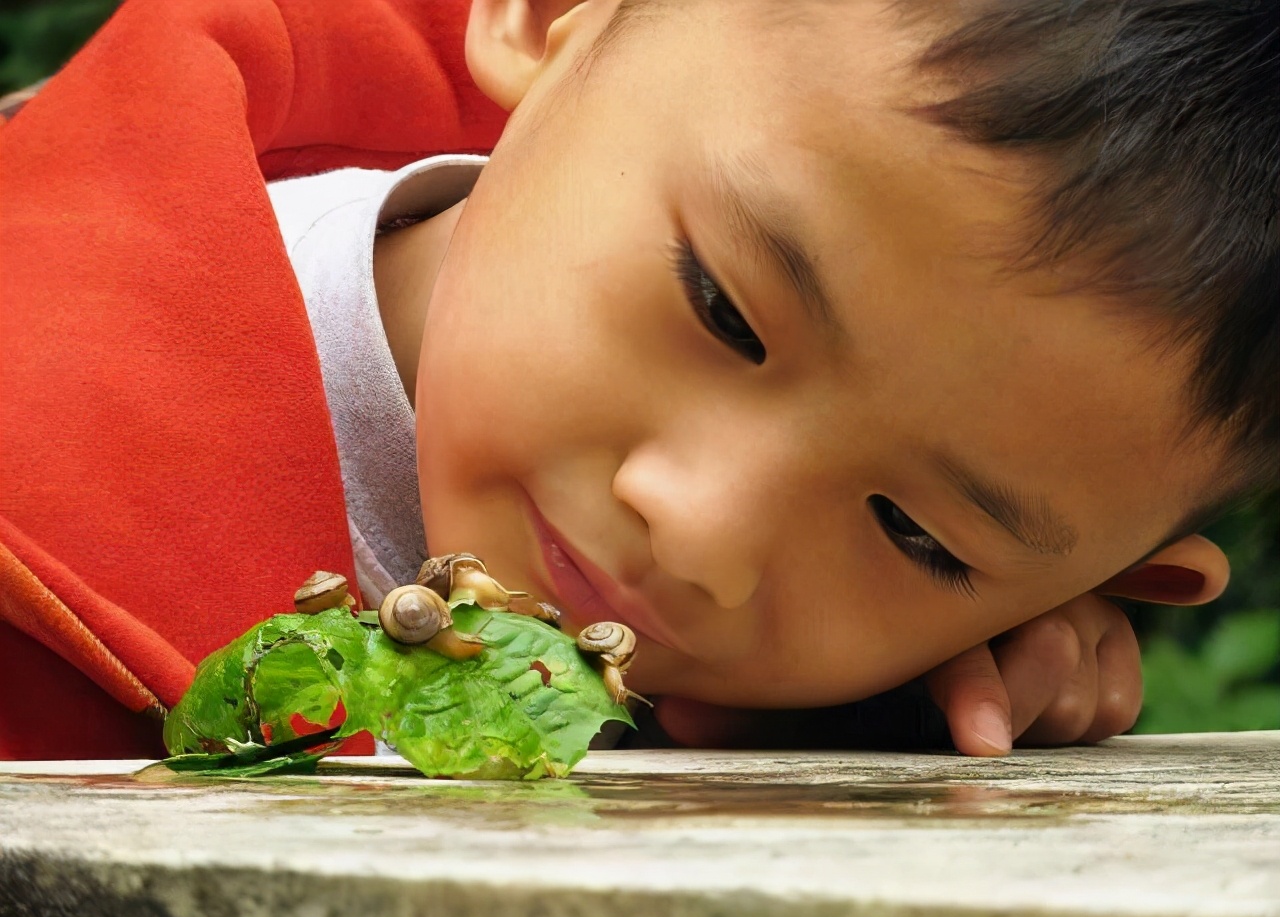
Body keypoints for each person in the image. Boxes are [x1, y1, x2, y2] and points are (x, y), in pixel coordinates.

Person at [0, 0, 1272, 761]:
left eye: (917, 536)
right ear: (548, 17)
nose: (704, 537)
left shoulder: (856, 701)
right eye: (722, 310)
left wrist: (889, 733)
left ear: (1101, 582)